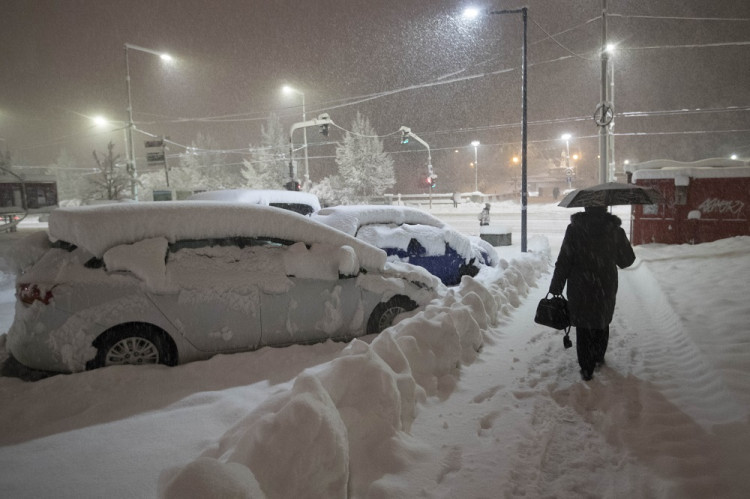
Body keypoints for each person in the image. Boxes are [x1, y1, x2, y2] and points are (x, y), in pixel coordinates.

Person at [549, 205, 635, 381]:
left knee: (583, 325)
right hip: (605, 284)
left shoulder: (575, 229)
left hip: (580, 285)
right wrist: (618, 242)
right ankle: (598, 356)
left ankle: (586, 367)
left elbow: (564, 260)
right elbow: (626, 260)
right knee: (602, 321)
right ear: (604, 209)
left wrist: (556, 286)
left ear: (585, 208)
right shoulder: (614, 230)